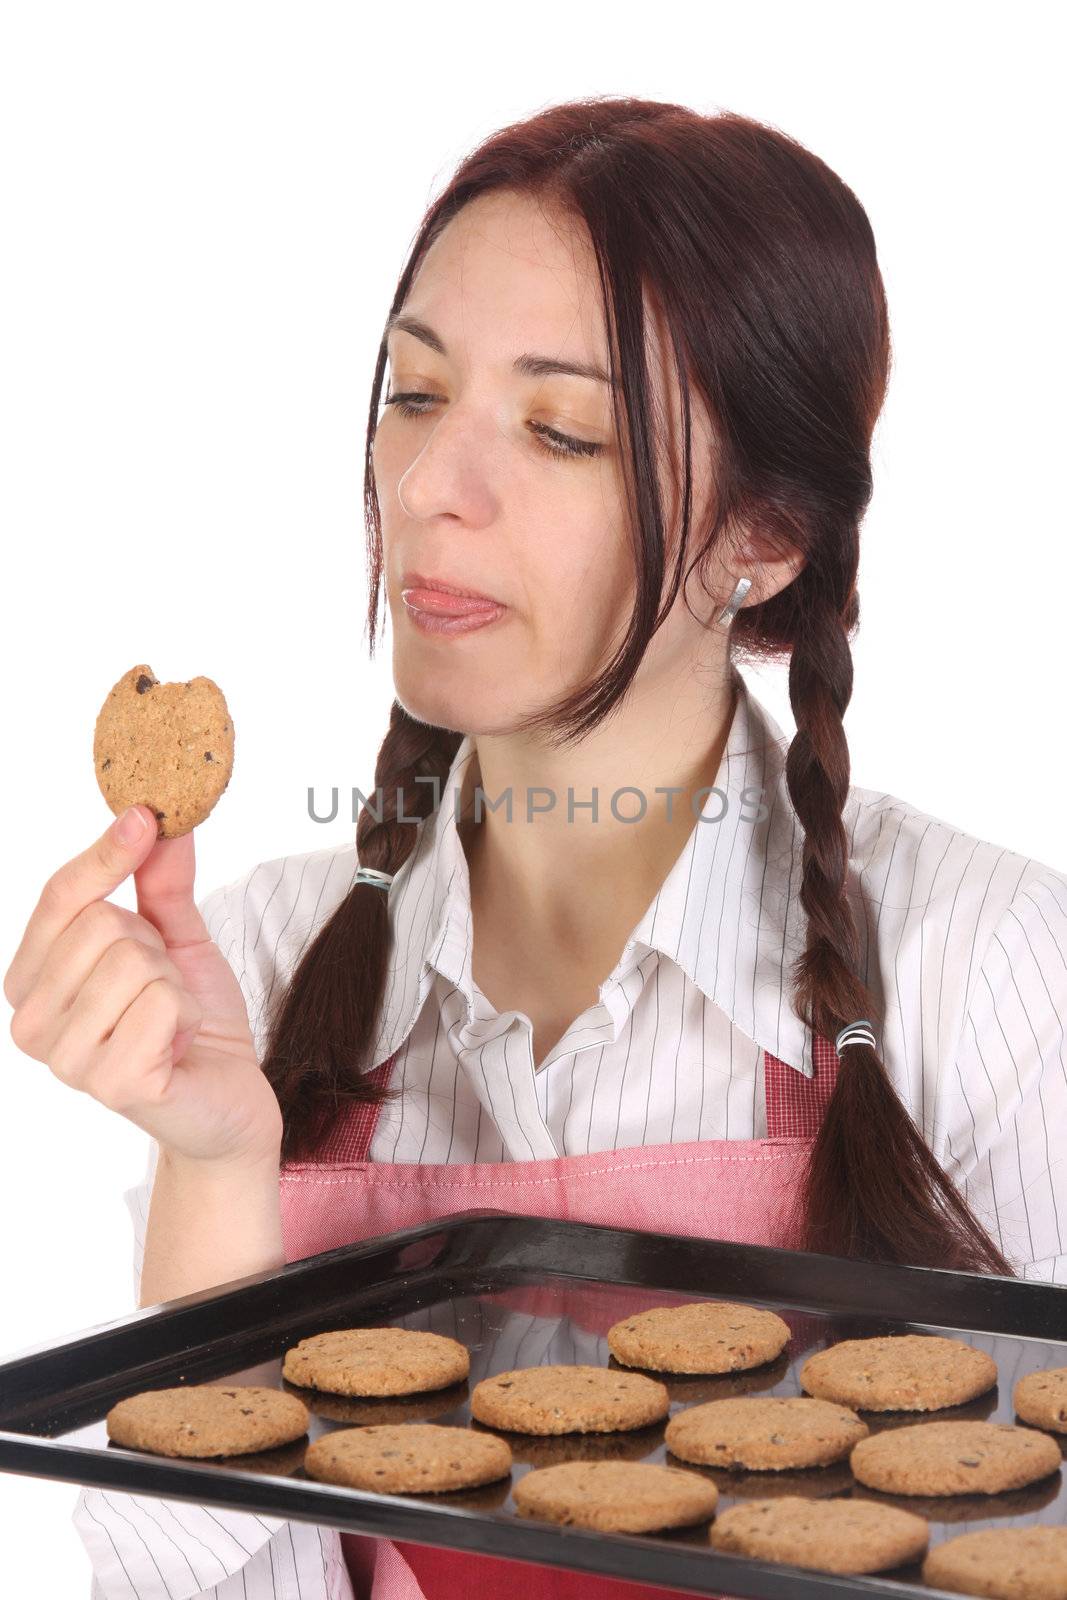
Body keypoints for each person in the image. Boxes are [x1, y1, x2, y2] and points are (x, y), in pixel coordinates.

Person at [6, 95, 1065, 1600]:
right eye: (415, 395)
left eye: (562, 429)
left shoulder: (993, 972)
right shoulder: (252, 968)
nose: (435, 489)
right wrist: (216, 1168)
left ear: (760, 538)